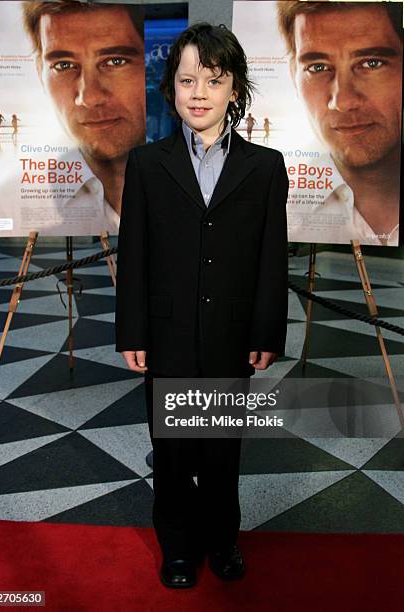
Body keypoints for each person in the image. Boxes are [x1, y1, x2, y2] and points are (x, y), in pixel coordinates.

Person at [115, 23, 289, 588]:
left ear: (234, 89)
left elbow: (270, 258)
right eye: (187, 80)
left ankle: (223, 539)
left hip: (231, 333)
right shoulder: (146, 165)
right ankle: (178, 548)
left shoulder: (264, 168)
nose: (199, 93)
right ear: (171, 89)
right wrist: (132, 332)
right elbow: (134, 254)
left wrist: (267, 331)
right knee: (171, 449)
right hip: (166, 333)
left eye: (213, 81)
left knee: (220, 449)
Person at [277, 1, 402, 246]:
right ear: (294, 74)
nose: (342, 101)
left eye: (371, 63)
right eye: (318, 67)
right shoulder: (278, 208)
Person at [19, 0, 146, 234]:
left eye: (115, 61)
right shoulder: (3, 205)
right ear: (40, 72)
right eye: (64, 65)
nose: (88, 97)